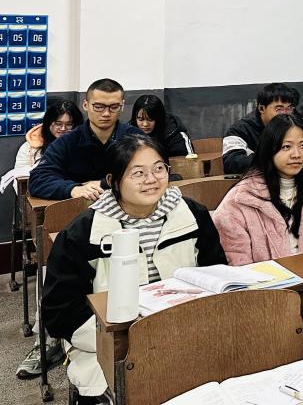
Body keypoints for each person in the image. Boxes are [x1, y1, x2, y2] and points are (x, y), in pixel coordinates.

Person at [41, 135, 226, 404]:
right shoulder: (82, 234)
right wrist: (130, 337)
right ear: (113, 180)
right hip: (108, 344)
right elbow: (60, 312)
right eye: (138, 173)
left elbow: (216, 275)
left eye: (159, 168)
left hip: (187, 330)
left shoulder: (193, 214)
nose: (151, 179)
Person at [213, 114, 303, 265]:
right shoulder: (241, 199)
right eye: (286, 147)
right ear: (269, 149)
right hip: (266, 280)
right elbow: (238, 264)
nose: (297, 154)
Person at [14, 100, 84, 380]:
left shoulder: (84, 147)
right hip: (47, 222)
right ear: (48, 125)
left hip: (83, 221)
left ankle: (78, 340)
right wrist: (72, 188)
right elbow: (27, 184)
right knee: (49, 271)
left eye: (70, 125)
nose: (64, 130)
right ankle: (46, 341)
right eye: (58, 124)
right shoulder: (32, 148)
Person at [29, 78, 143, 200]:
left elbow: (153, 175)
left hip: (129, 206)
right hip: (79, 208)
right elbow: (38, 180)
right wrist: (73, 189)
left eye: (114, 107)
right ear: (85, 105)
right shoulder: (67, 142)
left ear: (122, 106)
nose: (106, 113)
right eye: (98, 107)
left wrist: (103, 183)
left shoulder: (137, 139)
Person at [221, 82, 300, 175]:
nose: (285, 114)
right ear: (261, 108)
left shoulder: (294, 125)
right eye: (279, 109)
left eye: (289, 108)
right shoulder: (239, 130)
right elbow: (231, 163)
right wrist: (273, 160)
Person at [14, 100, 83, 172]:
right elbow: (19, 175)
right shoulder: (29, 147)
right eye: (58, 124)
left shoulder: (84, 143)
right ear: (48, 123)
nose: (63, 128)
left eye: (69, 124)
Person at [129, 94, 194, 158]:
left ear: (159, 118)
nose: (145, 124)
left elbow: (189, 159)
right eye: (140, 119)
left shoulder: (175, 135)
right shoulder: (128, 132)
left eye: (150, 119)